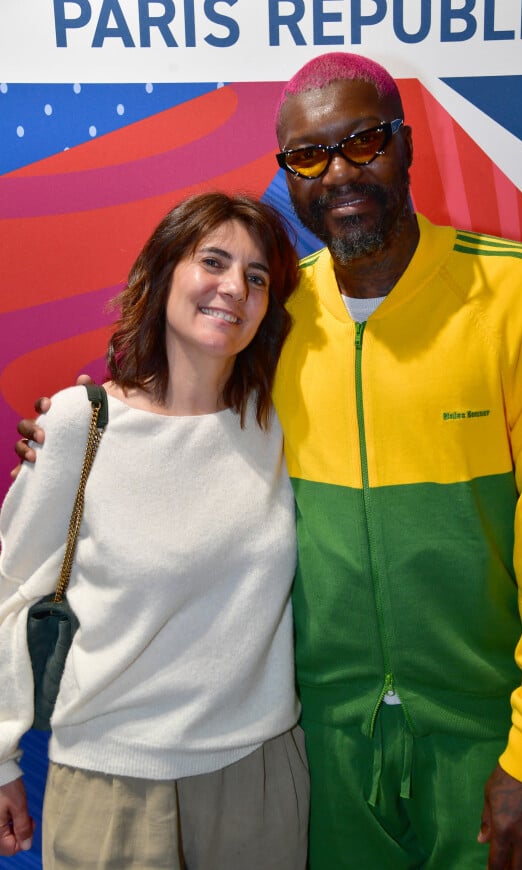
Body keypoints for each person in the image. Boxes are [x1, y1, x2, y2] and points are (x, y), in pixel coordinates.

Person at [13, 53, 522, 870]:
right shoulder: (271, 316)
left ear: (407, 146)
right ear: (288, 171)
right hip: (320, 752)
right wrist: (67, 428)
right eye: (310, 156)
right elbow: (168, 411)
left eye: (364, 141)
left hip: (486, 740)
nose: (340, 172)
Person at [0, 192, 309, 868]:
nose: (235, 288)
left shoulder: (281, 421)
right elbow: (10, 588)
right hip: (111, 786)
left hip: (259, 779)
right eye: (214, 261)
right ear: (165, 272)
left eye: (257, 277)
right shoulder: (82, 423)